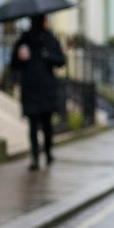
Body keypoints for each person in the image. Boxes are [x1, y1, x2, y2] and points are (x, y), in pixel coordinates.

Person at [11, 14, 66, 171]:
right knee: (34, 124)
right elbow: (14, 64)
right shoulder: (24, 41)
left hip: (44, 87)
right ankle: (35, 156)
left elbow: (61, 60)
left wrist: (48, 57)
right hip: (32, 87)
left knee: (45, 124)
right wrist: (20, 58)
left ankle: (47, 152)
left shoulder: (49, 40)